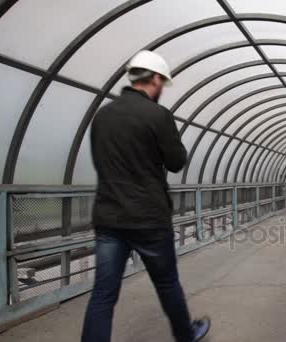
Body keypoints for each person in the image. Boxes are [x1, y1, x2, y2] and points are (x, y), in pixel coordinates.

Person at [82, 50, 210, 342]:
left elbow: (101, 160)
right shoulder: (157, 115)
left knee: (103, 294)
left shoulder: (102, 116)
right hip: (148, 218)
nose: (162, 88)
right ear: (154, 78)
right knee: (167, 284)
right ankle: (185, 335)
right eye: (162, 82)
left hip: (109, 217)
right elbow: (176, 162)